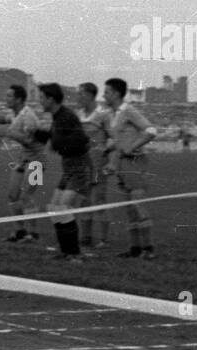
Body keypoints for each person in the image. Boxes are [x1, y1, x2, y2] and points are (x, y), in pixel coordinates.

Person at [0, 84, 44, 243]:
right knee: (13, 194)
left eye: (9, 96)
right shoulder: (16, 113)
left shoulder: (28, 116)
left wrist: (8, 133)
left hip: (38, 159)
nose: (6, 99)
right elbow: (3, 119)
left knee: (27, 196)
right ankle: (20, 231)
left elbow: (29, 140)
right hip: (23, 157)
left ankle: (33, 234)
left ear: (19, 99)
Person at [32, 83, 90, 260]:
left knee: (63, 208)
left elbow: (82, 140)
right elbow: (54, 137)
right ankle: (65, 251)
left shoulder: (65, 117)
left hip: (78, 167)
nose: (39, 101)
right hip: (68, 168)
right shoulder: (58, 117)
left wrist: (54, 143)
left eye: (41, 97)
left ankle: (74, 254)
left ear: (50, 99)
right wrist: (35, 133)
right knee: (54, 207)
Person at [102, 78, 158, 259]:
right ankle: (135, 248)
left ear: (117, 93)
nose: (104, 95)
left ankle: (148, 249)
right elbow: (118, 140)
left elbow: (151, 131)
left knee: (138, 204)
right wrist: (109, 149)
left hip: (134, 162)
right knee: (129, 208)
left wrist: (133, 146)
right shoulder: (113, 114)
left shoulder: (128, 110)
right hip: (121, 164)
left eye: (107, 92)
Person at [75, 82, 112, 248]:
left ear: (90, 95)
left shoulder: (103, 114)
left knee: (99, 199)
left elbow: (113, 137)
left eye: (80, 93)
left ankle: (103, 239)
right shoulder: (79, 114)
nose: (78, 97)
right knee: (84, 200)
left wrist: (104, 150)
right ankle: (86, 237)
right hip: (82, 163)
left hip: (97, 163)